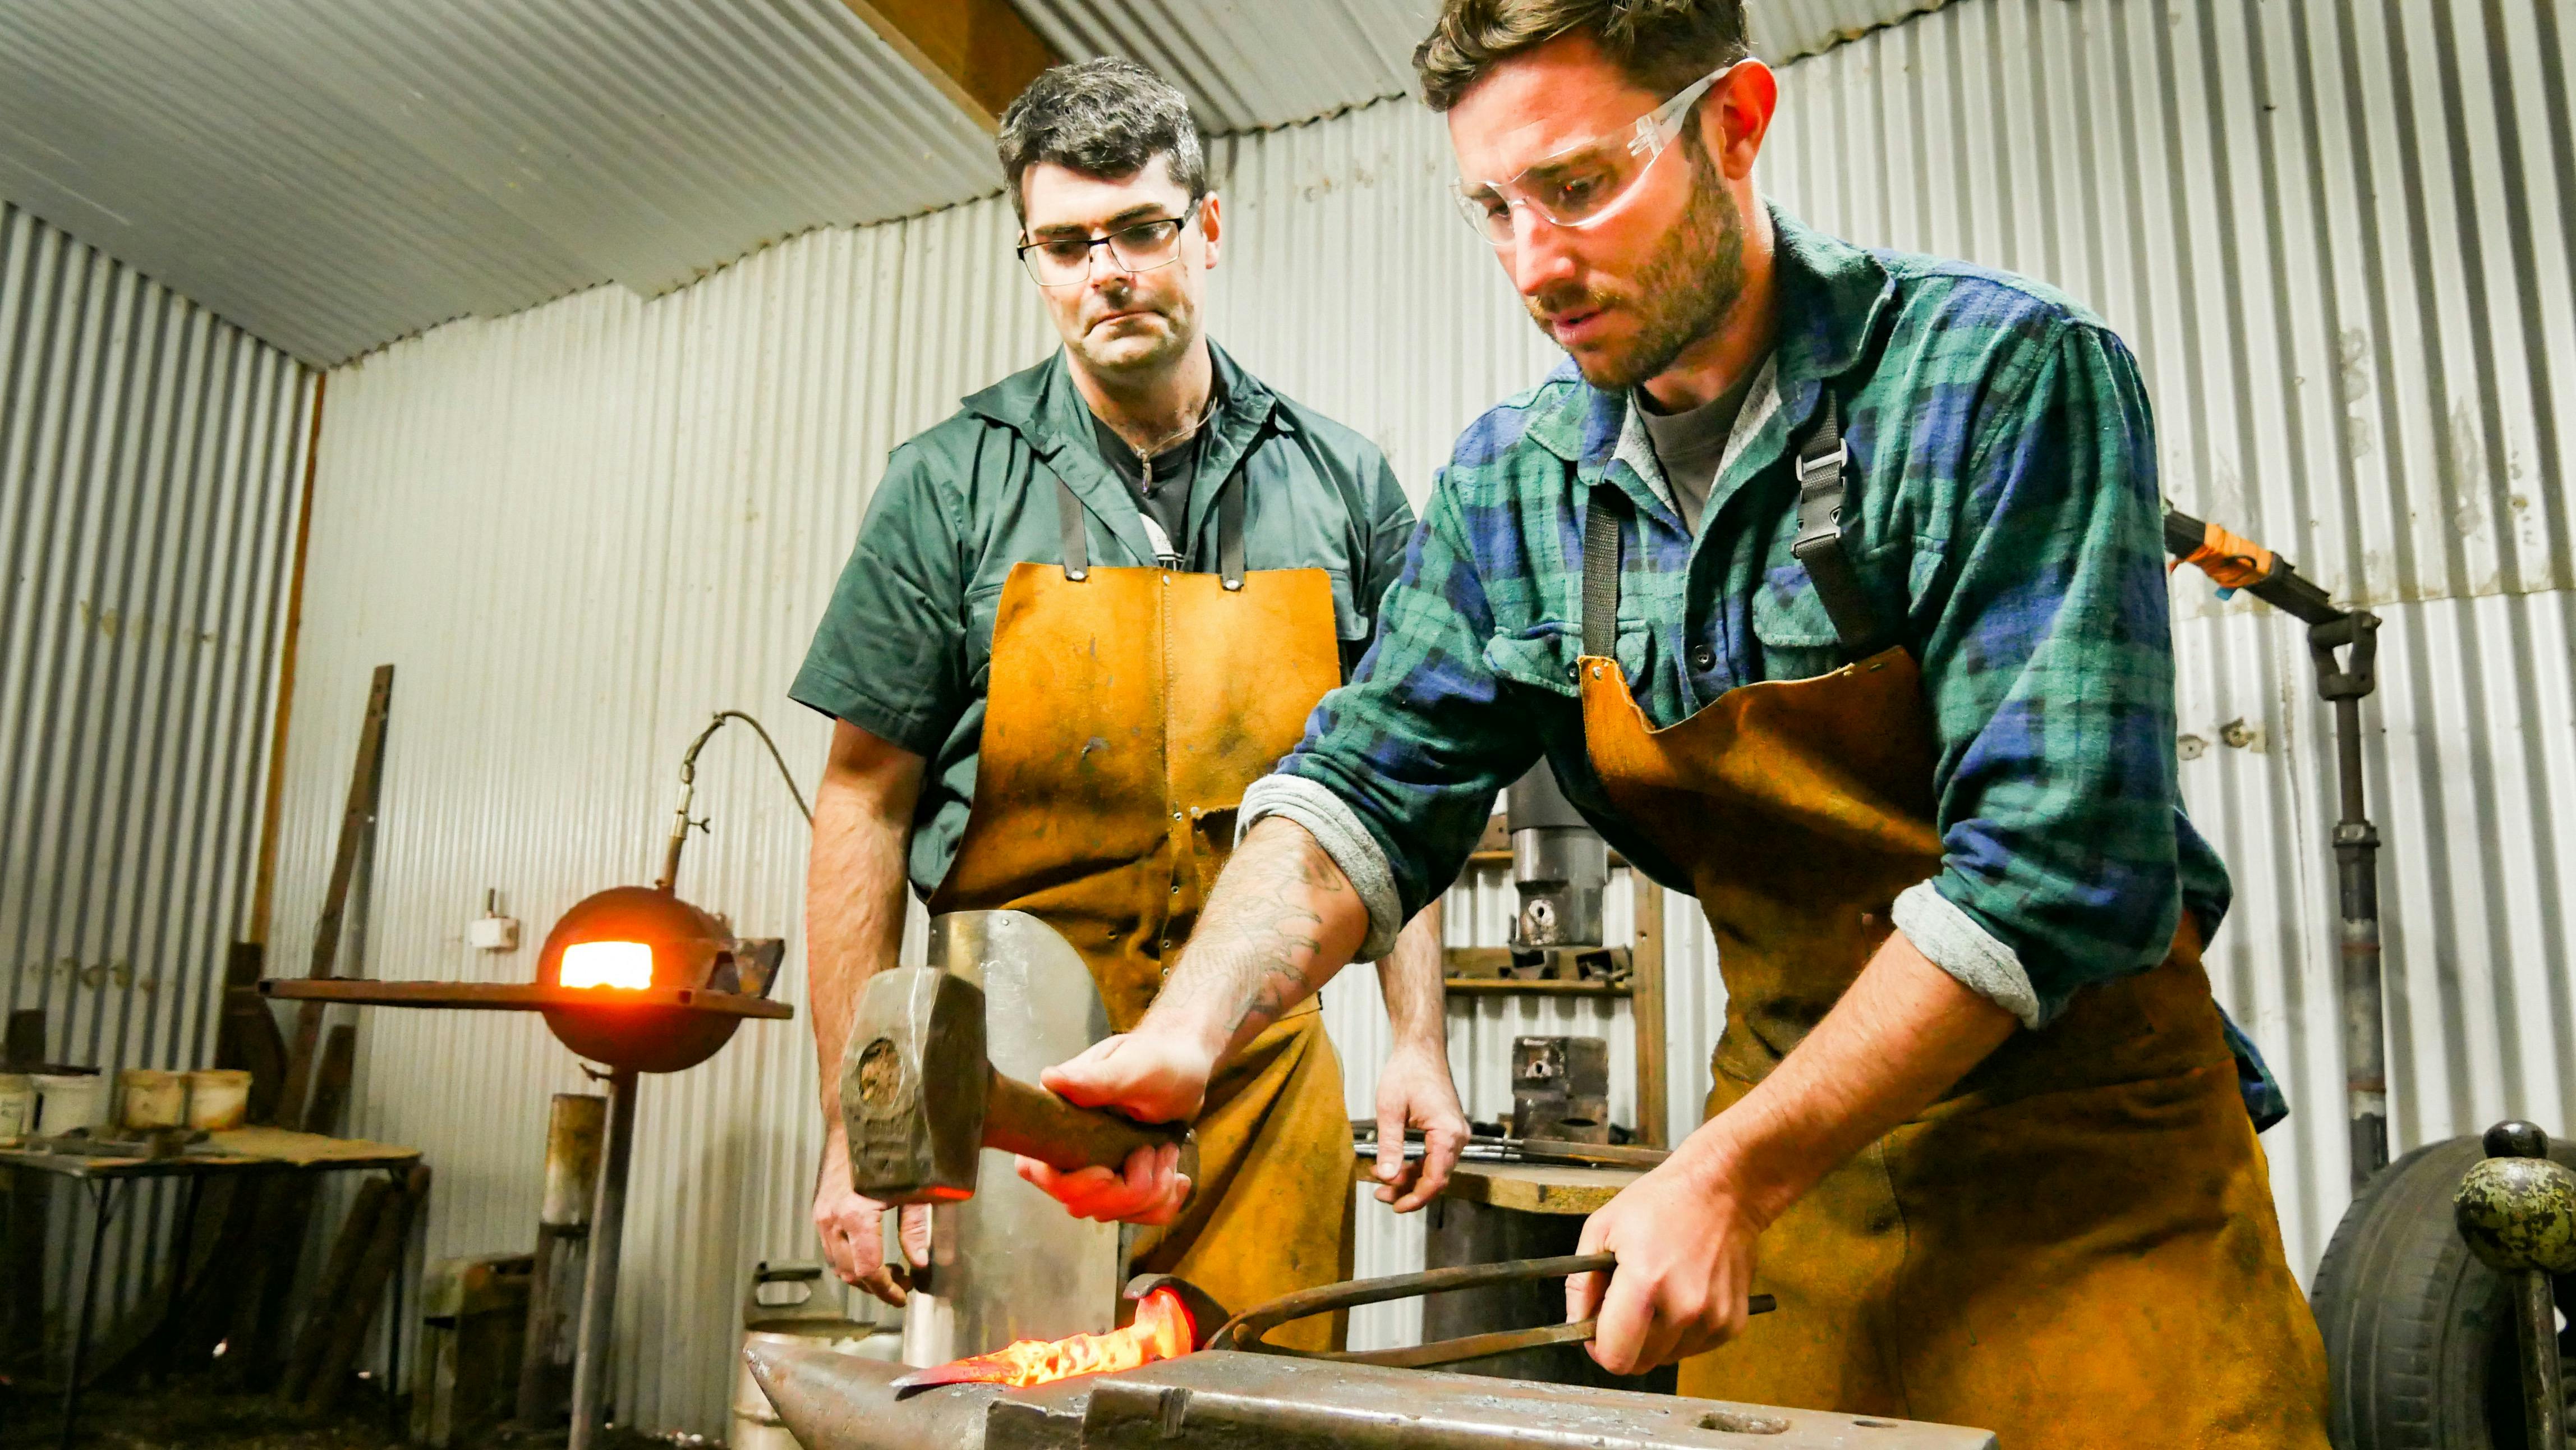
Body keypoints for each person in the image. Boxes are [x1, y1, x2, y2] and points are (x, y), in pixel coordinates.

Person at [1017, 4, 2333, 1443]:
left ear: (1734, 124)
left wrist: (1726, 1174)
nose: (1534, 264)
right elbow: (1361, 790)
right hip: (1789, 1221)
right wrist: (1191, 1032)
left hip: (2093, 1187)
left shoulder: (1996, 379)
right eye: (1495, 209)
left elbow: (2054, 864)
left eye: (1579, 187)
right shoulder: (1517, 484)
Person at [792, 57, 1466, 1350]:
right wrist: (856, 1125)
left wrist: (1416, 1039)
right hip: (1011, 1087)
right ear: (1035, 259)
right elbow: (862, 800)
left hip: (1262, 1085)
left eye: (1140, 229)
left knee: (1257, 1432)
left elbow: (1398, 788)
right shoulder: (945, 487)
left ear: (1204, 229)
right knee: (1015, 1413)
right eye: (1066, 243)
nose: (1106, 271)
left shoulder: (1342, 484)